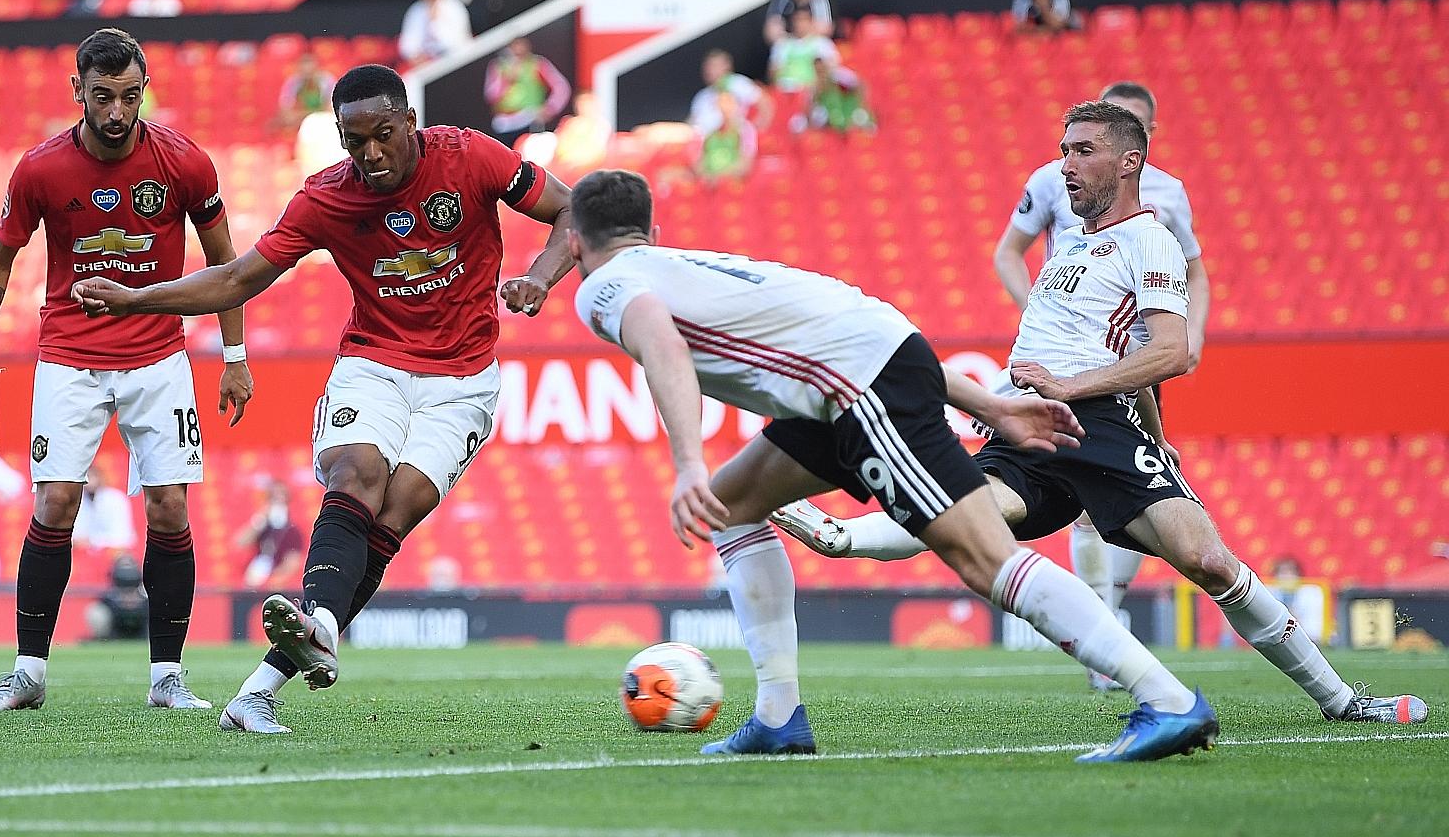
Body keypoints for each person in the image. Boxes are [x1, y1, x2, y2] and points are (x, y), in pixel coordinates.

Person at [772, 103, 1428, 727]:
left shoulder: (1150, 240)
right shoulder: (1070, 248)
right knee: (968, 512)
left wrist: (1115, 415)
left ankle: (1343, 700)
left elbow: (1171, 351)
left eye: (1083, 150)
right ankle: (839, 537)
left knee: (1209, 560)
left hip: (1100, 425)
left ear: (1129, 162)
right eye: (1063, 150)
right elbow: (1123, 348)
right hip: (1032, 425)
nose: (1065, 164)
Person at [567, 167, 1220, 763]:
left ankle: (1165, 699)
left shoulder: (607, 285)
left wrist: (686, 463)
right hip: (852, 375)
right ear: (653, 232)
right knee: (732, 509)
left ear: (576, 243)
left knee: (982, 557)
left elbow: (661, 343)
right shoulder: (683, 262)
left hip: (859, 390)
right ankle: (776, 718)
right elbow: (871, 331)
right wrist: (991, 406)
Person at [73, 63, 576, 734]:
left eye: (383, 135)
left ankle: (266, 682)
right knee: (357, 471)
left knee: (393, 515)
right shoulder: (326, 198)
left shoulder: (472, 157)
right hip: (376, 362)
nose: (370, 154)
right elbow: (237, 278)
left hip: (464, 379)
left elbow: (572, 209)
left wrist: (539, 279)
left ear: (410, 123)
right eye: (353, 140)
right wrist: (139, 298)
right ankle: (315, 636)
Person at [0, 28, 253, 713]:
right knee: (56, 502)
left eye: (130, 95)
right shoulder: (41, 169)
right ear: (77, 91)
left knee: (170, 506)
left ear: (144, 90)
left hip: (159, 356)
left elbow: (227, 263)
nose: (118, 111)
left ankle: (167, 676)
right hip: (68, 356)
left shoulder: (183, 162)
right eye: (104, 96)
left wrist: (234, 357)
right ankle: (28, 672)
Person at [994, 81, 1209, 687]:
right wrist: (1033, 311)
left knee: (1130, 496)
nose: (1075, 162)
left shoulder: (1167, 199)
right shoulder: (1051, 178)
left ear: (1138, 148)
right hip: (1058, 351)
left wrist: (1193, 332)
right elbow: (1009, 252)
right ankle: (1104, 635)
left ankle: (1106, 623)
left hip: (1124, 346)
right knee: (1079, 500)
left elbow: (1193, 268)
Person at [398, 0, 474, 113]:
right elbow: (406, 45)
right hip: (425, 63)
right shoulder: (416, 10)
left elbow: (457, 42)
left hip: (453, 61)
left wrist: (435, 21)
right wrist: (416, 56)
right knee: (409, 83)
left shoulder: (454, 7)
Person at [483, 38, 571, 147]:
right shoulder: (499, 67)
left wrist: (550, 108)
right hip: (505, 124)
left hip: (530, 121)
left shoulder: (537, 64)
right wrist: (507, 79)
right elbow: (491, 96)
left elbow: (561, 86)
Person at [689, 50, 772, 139]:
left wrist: (757, 131)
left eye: (714, 65)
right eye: (707, 66)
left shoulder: (737, 83)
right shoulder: (702, 96)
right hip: (704, 143)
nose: (710, 70)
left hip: (732, 139)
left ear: (726, 66)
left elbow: (764, 102)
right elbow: (691, 123)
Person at [239, 481, 306, 588]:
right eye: (273, 499)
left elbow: (293, 562)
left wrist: (273, 579)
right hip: (255, 579)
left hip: (277, 583)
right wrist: (259, 521)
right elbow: (240, 543)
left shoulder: (293, 532)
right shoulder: (262, 527)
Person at [769, 9, 840, 94]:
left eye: (803, 20)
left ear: (811, 22)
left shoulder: (821, 43)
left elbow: (832, 68)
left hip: (811, 91)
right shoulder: (782, 45)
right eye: (797, 20)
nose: (800, 24)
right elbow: (773, 71)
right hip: (785, 90)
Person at [799, 57, 874, 134]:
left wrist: (862, 105)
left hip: (848, 106)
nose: (821, 71)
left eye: (822, 68)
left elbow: (860, 85)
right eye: (818, 70)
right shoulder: (815, 85)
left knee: (862, 119)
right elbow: (809, 104)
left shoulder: (840, 76)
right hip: (829, 112)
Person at [86, 553, 150, 640]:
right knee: (96, 611)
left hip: (142, 627)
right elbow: (103, 600)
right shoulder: (109, 596)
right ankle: (103, 640)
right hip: (113, 626)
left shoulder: (145, 594)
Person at [695, 92, 757, 183]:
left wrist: (721, 177)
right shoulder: (708, 130)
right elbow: (698, 160)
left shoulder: (745, 129)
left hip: (733, 182)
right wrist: (706, 175)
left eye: (728, 103)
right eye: (720, 103)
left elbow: (746, 163)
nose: (724, 108)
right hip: (708, 182)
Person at [74, 466, 136, 555]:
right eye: (86, 477)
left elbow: (123, 536)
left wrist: (93, 541)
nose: (88, 481)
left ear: (99, 477)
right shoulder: (78, 500)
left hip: (114, 554)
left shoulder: (116, 499)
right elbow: (76, 535)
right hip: (83, 555)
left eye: (91, 477)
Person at [275, 53, 337, 131]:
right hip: (299, 124)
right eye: (304, 73)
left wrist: (304, 116)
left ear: (317, 69)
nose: (307, 76)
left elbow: (330, 111)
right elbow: (286, 113)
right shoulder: (292, 83)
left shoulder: (328, 82)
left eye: (310, 73)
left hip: (321, 124)